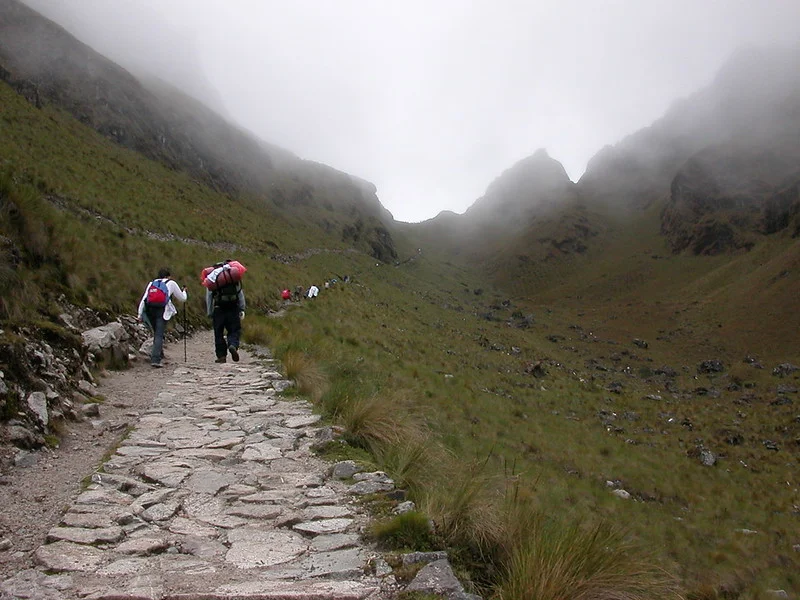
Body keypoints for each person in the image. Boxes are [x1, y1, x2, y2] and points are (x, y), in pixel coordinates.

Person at [137, 268, 188, 368]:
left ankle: (159, 354)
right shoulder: (171, 283)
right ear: (168, 276)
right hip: (162, 311)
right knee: (159, 335)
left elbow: (144, 299)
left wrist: (139, 314)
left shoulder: (152, 283)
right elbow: (182, 298)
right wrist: (184, 291)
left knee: (156, 333)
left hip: (150, 310)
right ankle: (155, 359)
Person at [206, 263, 246, 363]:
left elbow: (209, 297)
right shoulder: (233, 278)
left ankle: (221, 356)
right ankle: (233, 345)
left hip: (219, 308)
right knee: (234, 330)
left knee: (218, 332)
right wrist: (242, 309)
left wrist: (210, 312)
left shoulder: (213, 278)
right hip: (233, 308)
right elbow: (240, 294)